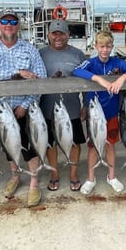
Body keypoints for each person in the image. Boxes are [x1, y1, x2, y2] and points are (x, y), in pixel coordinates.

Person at [0, 9, 47, 207]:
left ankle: (34, 180)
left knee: (28, 145)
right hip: (1, 109)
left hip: (23, 109)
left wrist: (25, 105)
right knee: (9, 147)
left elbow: (40, 77)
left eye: (13, 21)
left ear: (18, 25)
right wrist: (18, 72)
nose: (8, 24)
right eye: (4, 21)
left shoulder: (30, 49)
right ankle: (15, 176)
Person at [72, 30, 126, 195]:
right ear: (95, 46)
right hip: (94, 115)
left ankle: (112, 176)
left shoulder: (117, 62)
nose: (105, 50)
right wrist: (99, 79)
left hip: (111, 113)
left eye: (108, 46)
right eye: (101, 46)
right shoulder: (91, 63)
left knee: (110, 145)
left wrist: (122, 78)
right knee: (93, 146)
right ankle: (90, 178)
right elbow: (76, 71)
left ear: (112, 47)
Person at [39, 19, 86, 192]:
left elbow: (86, 81)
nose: (58, 37)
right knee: (50, 143)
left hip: (72, 106)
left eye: (62, 33)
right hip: (46, 107)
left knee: (74, 142)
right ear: (49, 35)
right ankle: (54, 174)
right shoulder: (40, 53)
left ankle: (73, 173)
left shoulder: (78, 54)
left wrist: (86, 104)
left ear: (68, 35)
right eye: (54, 33)